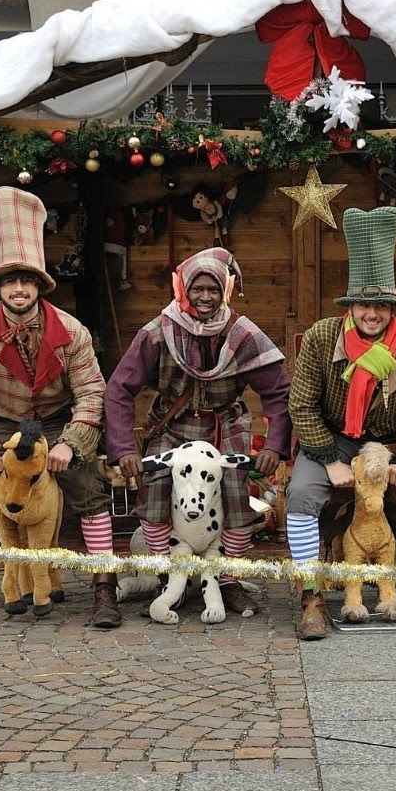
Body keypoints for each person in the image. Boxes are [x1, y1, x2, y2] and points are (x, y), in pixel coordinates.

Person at [0, 186, 121, 627]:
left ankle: (104, 586)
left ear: (39, 285)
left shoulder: (72, 331)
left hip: (57, 425)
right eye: (9, 281)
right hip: (2, 425)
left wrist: (72, 443)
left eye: (27, 280)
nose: (18, 289)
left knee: (91, 491)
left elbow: (92, 393)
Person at [286, 206, 396, 639]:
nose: (372, 313)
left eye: (381, 305)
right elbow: (301, 405)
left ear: (392, 307)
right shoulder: (322, 338)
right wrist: (328, 459)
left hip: (390, 448)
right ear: (350, 306)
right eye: (363, 304)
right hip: (332, 440)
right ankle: (312, 597)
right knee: (300, 496)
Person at [105, 247, 290, 616]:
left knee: (236, 497)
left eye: (213, 289)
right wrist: (124, 448)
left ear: (225, 291)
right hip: (172, 426)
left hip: (225, 424)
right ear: (182, 289)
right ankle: (169, 576)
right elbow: (119, 390)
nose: (205, 297)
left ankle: (227, 579)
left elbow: (278, 390)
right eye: (197, 289)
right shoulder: (157, 333)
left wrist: (274, 444)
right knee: (154, 493)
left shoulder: (243, 333)